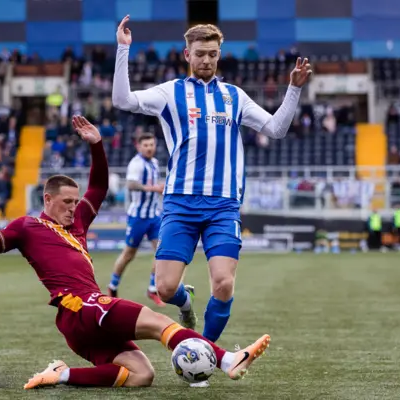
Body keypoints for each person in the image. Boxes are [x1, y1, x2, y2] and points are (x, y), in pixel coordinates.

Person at [0, 116, 270, 389]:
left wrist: (97, 146)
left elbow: (100, 186)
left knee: (141, 375)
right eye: (66, 202)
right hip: (80, 307)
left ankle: (61, 374)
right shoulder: (26, 227)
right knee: (159, 322)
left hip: (82, 321)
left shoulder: (77, 221)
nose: (73, 208)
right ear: (47, 200)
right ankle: (227, 360)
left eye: (75, 202)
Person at [112, 16, 312, 342]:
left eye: (213, 54)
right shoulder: (169, 93)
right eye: (201, 53)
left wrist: (293, 89)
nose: (207, 60)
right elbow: (122, 100)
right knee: (164, 288)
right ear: (186, 54)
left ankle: (202, 351)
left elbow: (277, 129)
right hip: (180, 202)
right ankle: (185, 301)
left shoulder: (235, 96)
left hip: (223, 205)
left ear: (219, 55)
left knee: (223, 282)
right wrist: (123, 49)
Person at [108, 132, 165, 306]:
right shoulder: (136, 164)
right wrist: (155, 189)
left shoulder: (154, 163)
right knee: (128, 254)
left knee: (161, 252)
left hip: (154, 216)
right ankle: (113, 285)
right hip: (138, 217)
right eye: (146, 145)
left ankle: (153, 289)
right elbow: (131, 185)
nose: (149, 148)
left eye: (152, 145)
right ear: (139, 147)